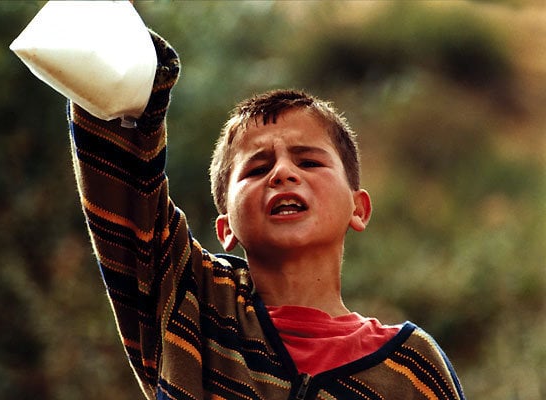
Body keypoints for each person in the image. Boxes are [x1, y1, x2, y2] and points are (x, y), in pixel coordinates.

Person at [67, 29, 465, 400]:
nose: (283, 173)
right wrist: (113, 25)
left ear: (358, 208)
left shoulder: (411, 368)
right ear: (226, 228)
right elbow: (118, 156)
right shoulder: (191, 300)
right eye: (257, 169)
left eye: (309, 162)